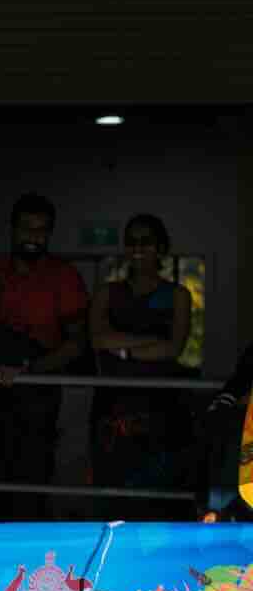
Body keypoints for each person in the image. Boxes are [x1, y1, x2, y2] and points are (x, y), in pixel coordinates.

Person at [0, 193, 89, 515]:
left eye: (41, 230)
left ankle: (29, 560)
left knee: (30, 478)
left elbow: (76, 344)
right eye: (26, 228)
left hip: (36, 385)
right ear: (12, 229)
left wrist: (28, 369)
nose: (33, 237)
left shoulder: (64, 276)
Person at [89, 213, 193, 500]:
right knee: (111, 497)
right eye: (131, 242)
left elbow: (173, 349)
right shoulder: (107, 293)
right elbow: (98, 339)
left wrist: (121, 349)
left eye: (145, 242)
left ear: (160, 247)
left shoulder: (178, 295)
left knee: (159, 499)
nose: (137, 248)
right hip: (112, 409)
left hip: (161, 409)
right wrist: (151, 342)